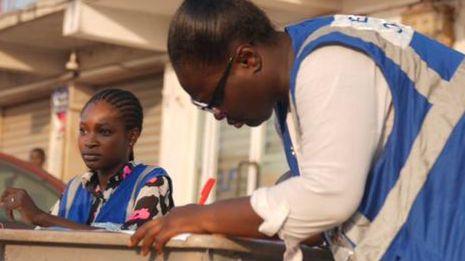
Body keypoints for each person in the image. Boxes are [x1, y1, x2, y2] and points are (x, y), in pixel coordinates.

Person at [130, 0, 465, 260]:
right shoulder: (294, 86)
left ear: (248, 60)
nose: (217, 114)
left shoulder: (328, 62)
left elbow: (327, 194)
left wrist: (201, 217)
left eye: (214, 99)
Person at [0, 89, 174, 230]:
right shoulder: (75, 187)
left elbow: (129, 245)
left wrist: (40, 217)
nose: (89, 142)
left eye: (104, 132)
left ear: (132, 136)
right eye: (83, 131)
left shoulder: (151, 182)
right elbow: (47, 236)